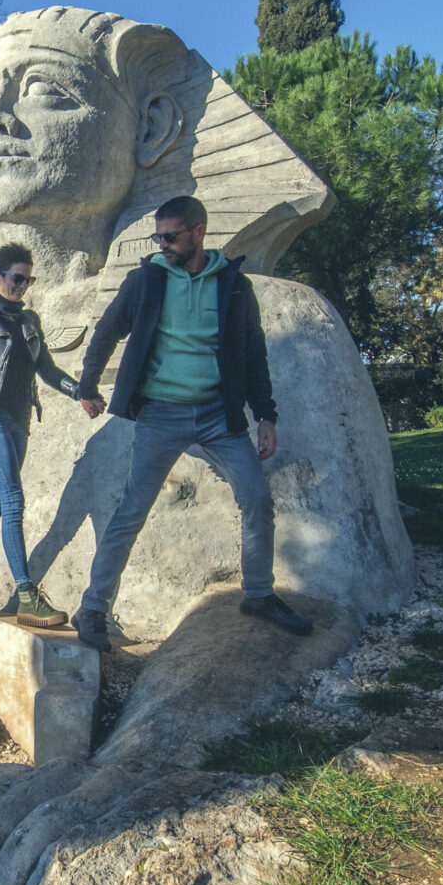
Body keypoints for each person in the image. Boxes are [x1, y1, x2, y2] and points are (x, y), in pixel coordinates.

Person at [68, 195, 310, 651]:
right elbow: (106, 331)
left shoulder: (234, 286)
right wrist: (87, 384)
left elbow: (254, 354)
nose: (163, 243)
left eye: (171, 236)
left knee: (257, 499)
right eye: (158, 235)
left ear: (198, 232)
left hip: (220, 415)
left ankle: (258, 594)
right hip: (161, 414)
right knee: (131, 511)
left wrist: (266, 416)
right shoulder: (145, 281)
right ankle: (94, 609)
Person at [0, 243, 86, 627]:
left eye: (29, 280)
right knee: (13, 498)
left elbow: (48, 370)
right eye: (17, 278)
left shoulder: (29, 322)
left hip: (19, 421)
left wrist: (81, 392)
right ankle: (26, 595)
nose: (24, 286)